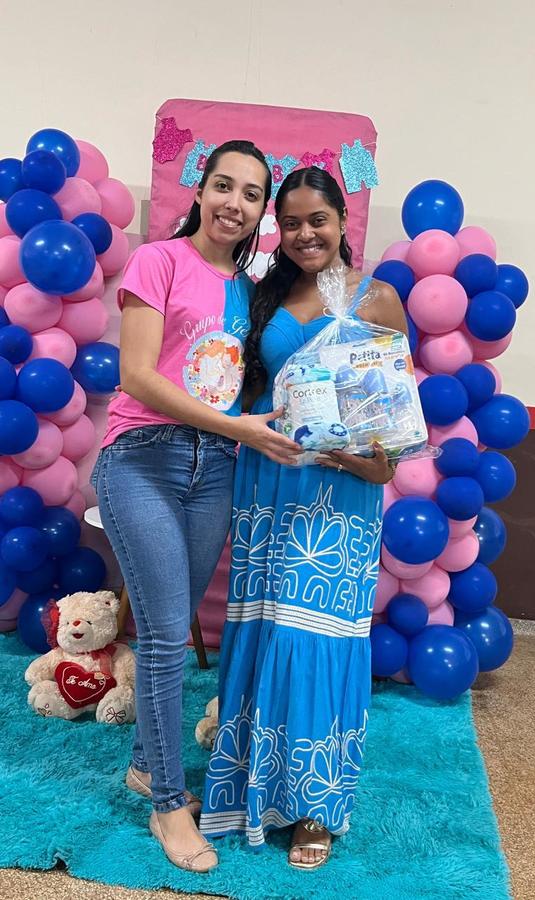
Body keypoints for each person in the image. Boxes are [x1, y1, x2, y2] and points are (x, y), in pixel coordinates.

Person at [90, 140, 300, 873]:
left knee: (173, 630)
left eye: (250, 194)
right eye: (223, 186)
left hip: (215, 471)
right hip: (142, 460)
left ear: (260, 212)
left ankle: (145, 762)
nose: (233, 203)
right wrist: (238, 429)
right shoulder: (159, 260)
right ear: (201, 191)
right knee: (162, 635)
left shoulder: (251, 291)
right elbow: (138, 377)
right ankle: (168, 804)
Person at [200, 167, 408, 869]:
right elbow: (245, 394)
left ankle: (314, 804)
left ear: (342, 220)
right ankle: (246, 785)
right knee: (263, 631)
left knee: (312, 639)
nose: (303, 234)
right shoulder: (265, 296)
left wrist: (357, 459)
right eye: (289, 223)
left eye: (316, 219)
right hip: (266, 488)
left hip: (337, 501)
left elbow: (391, 430)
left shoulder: (378, 299)